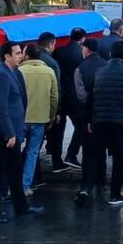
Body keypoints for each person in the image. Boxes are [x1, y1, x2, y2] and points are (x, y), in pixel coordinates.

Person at [0, 41, 43, 223]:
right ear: (7, 56)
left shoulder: (13, 72)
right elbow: (0, 108)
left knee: (15, 171)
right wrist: (10, 134)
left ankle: (21, 207)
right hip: (1, 134)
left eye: (20, 53)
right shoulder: (0, 75)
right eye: (16, 54)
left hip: (11, 132)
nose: (20, 56)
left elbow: (18, 101)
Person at [86, 39, 123, 206]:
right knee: (119, 157)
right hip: (121, 122)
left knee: (99, 154)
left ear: (110, 54)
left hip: (100, 120)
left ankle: (98, 184)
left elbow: (91, 98)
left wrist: (90, 119)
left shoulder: (99, 72)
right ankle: (115, 194)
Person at [19, 43, 59, 192]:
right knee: (32, 152)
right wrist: (51, 116)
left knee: (14, 151)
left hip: (21, 118)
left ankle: (11, 185)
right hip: (41, 119)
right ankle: (25, 185)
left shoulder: (19, 70)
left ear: (26, 55)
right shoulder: (49, 72)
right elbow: (54, 98)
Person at [73, 38, 108, 198]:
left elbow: (81, 95)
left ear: (87, 50)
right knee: (101, 149)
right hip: (103, 114)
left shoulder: (80, 68)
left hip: (85, 115)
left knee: (88, 151)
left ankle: (86, 185)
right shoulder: (106, 65)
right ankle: (101, 181)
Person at [36, 32, 68, 174]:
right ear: (50, 44)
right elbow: (56, 89)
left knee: (34, 143)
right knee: (55, 133)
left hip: (31, 106)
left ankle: (34, 171)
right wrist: (58, 111)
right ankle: (57, 162)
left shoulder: (30, 57)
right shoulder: (51, 62)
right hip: (47, 106)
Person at [54, 28, 87, 168]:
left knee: (58, 130)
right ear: (83, 39)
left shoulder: (58, 52)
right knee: (81, 126)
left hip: (60, 95)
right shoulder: (81, 54)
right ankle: (71, 154)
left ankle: (57, 161)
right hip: (75, 97)